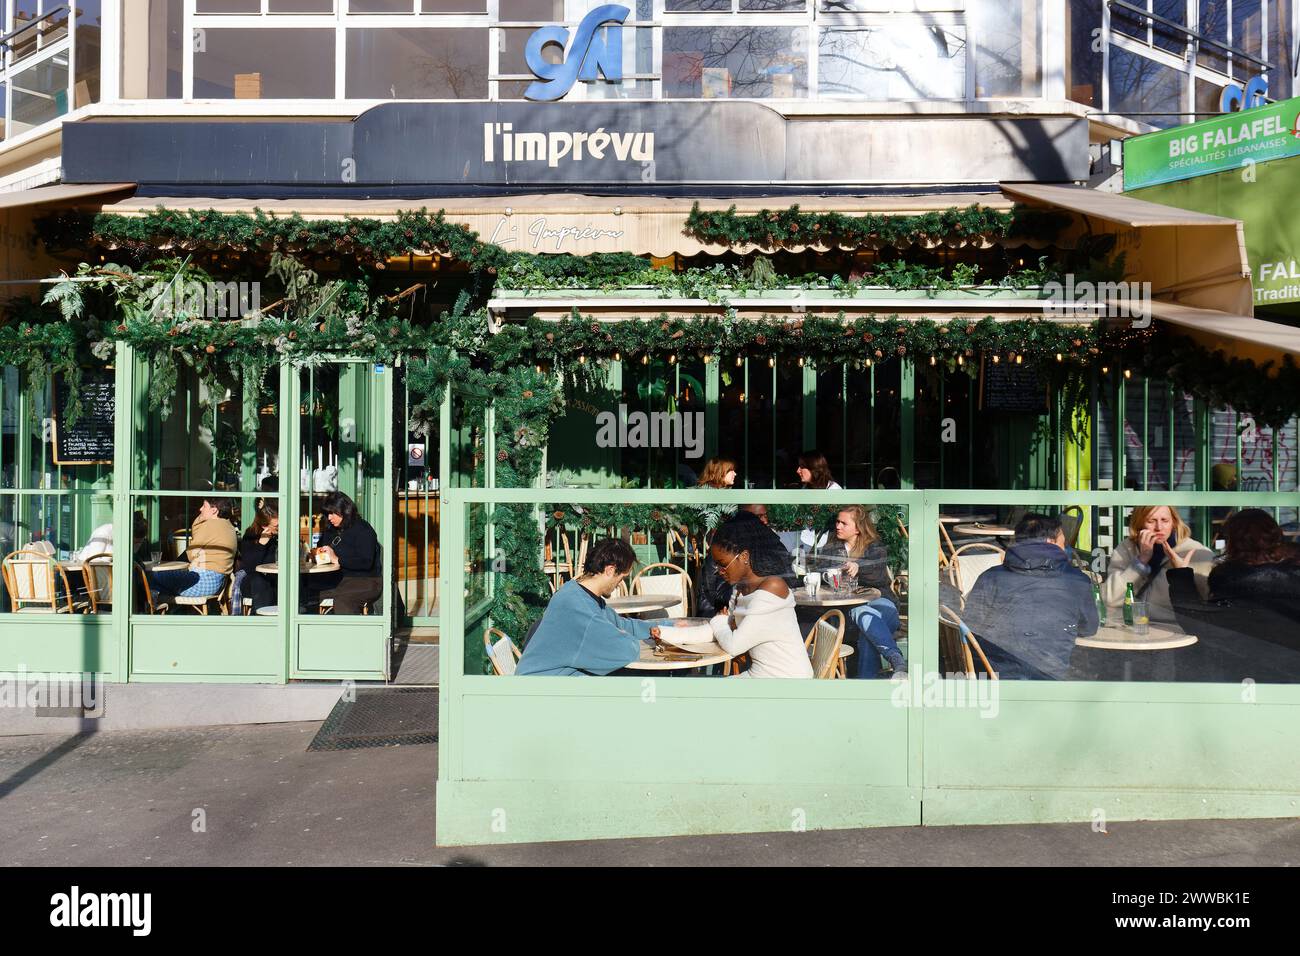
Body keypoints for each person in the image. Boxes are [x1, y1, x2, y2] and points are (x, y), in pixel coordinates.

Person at [960, 513, 1099, 680]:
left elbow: (970, 629)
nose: (1065, 549)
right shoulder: (1076, 580)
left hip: (995, 678)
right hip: (1049, 681)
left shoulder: (990, 577)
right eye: (1063, 543)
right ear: (1051, 542)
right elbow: (1089, 628)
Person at [517, 538, 664, 676]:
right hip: (541, 692)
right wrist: (628, 638)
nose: (620, 583)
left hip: (551, 682)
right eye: (622, 578)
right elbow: (626, 651)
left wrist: (653, 629)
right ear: (610, 570)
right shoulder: (580, 609)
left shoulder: (577, 593)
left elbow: (620, 624)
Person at [1165, 509, 1300, 650]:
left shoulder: (1232, 583)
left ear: (1233, 543)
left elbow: (1200, 624)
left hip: (1245, 668)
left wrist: (1180, 576)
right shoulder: (1293, 578)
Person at [708, 520, 813, 678]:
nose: (719, 572)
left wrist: (718, 621)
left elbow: (733, 645)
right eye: (716, 566)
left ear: (744, 556)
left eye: (722, 565)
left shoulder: (773, 587)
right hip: (762, 675)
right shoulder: (740, 589)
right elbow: (723, 627)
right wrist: (666, 633)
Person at [819, 506, 905, 677]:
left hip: (882, 604)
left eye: (844, 523)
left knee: (866, 619)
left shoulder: (875, 547)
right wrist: (833, 573)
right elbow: (823, 571)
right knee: (863, 620)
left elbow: (878, 575)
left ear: (858, 528)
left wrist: (859, 567)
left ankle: (865, 687)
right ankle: (897, 660)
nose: (838, 526)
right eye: (837, 521)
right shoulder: (832, 547)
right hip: (850, 608)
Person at [1102, 505, 1214, 624]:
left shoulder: (1197, 554)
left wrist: (1182, 573)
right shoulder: (1127, 548)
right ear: (1139, 524)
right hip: (1130, 626)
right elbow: (1110, 599)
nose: (1159, 527)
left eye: (1165, 521)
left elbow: (1207, 608)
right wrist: (1140, 562)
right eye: (1151, 521)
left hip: (1173, 629)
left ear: (1174, 522)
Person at [697, 504, 793, 617]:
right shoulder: (726, 550)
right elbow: (715, 594)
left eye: (765, 515)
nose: (765, 521)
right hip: (721, 613)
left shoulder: (773, 546)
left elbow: (789, 579)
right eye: (757, 517)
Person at [151, 498, 238, 602]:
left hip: (201, 582)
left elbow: (191, 554)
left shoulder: (210, 525)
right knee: (161, 585)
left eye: (204, 506)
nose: (200, 509)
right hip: (217, 583)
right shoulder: (228, 526)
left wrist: (201, 519)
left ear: (214, 510)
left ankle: (149, 611)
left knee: (151, 577)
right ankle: (169, 609)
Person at [311, 491, 382, 615]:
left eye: (333, 513)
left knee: (343, 601)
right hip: (337, 580)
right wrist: (319, 553)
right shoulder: (331, 529)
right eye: (327, 514)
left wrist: (337, 559)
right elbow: (321, 547)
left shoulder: (363, 529)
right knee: (308, 596)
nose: (329, 518)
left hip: (366, 581)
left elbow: (366, 562)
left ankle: (349, 634)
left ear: (345, 510)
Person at [239, 500, 279, 613]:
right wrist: (261, 545)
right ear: (264, 526)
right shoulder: (251, 535)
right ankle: (262, 619)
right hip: (253, 580)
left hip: (275, 579)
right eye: (276, 526)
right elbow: (249, 567)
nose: (280, 528)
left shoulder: (280, 536)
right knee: (260, 581)